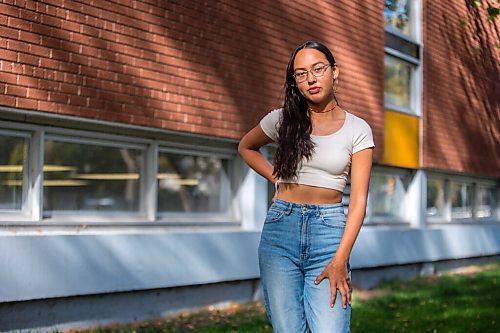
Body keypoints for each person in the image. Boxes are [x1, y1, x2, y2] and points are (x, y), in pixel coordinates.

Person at [238, 40, 375, 332]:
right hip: (280, 231)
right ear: (295, 83)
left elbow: (359, 202)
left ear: (334, 72)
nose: (310, 78)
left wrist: (341, 258)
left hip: (329, 235)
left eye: (318, 69)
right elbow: (246, 147)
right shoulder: (282, 120)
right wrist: (277, 178)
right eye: (300, 74)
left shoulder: (358, 129)